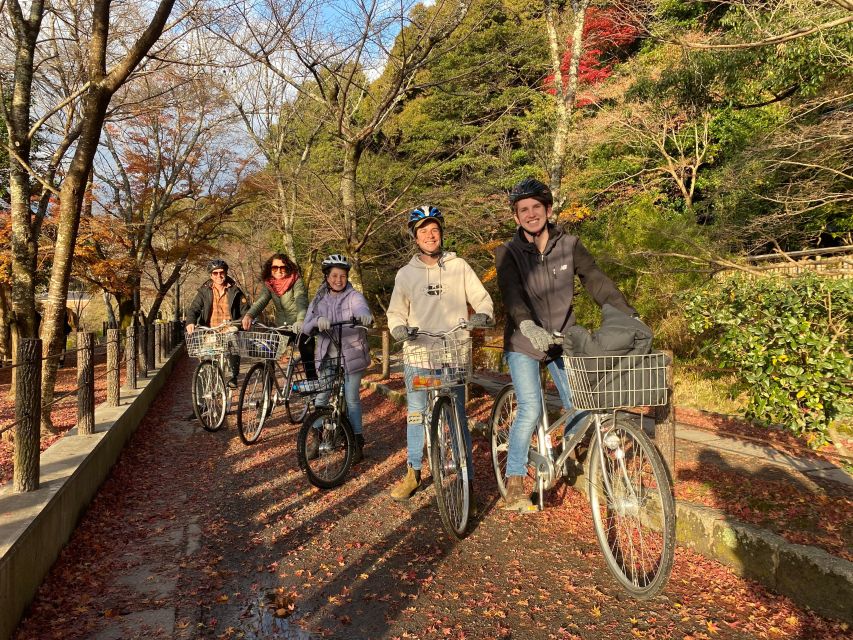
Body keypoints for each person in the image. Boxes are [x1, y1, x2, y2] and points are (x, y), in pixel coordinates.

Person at [495, 178, 637, 512]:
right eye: (523, 210)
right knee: (530, 406)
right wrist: (527, 325)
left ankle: (560, 451)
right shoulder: (509, 252)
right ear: (516, 217)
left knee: (581, 401)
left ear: (547, 209)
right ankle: (515, 482)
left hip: (562, 339)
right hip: (523, 341)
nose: (531, 214)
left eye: (536, 207)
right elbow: (511, 292)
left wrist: (629, 315)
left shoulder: (570, 245)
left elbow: (597, 282)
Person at [386, 206, 494, 501]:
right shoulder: (406, 274)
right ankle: (413, 471)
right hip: (420, 356)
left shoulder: (459, 267)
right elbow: (396, 311)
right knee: (416, 415)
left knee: (457, 416)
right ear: (415, 237)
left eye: (434, 230)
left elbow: (482, 298)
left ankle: (466, 479)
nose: (430, 236)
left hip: (454, 354)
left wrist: (482, 314)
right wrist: (398, 328)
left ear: (441, 233)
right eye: (423, 231)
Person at [301, 254, 373, 463]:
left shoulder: (354, 296)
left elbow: (361, 308)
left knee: (351, 398)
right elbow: (306, 326)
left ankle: (357, 441)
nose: (338, 280)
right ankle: (315, 436)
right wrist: (316, 321)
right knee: (321, 397)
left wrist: (364, 316)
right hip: (327, 356)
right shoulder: (319, 299)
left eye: (342, 275)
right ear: (326, 277)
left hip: (352, 354)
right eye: (334, 275)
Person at [241, 252, 313, 375]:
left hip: (299, 326)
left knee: (308, 357)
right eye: (275, 267)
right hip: (282, 326)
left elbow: (301, 300)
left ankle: (313, 387)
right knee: (269, 355)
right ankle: (267, 391)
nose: (279, 270)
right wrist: (249, 315)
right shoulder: (270, 284)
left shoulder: (296, 280)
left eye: (282, 267)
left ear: (288, 268)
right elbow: (261, 301)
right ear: (270, 269)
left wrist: (301, 320)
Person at [186, 259, 250, 388]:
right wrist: (190, 322)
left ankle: (233, 376)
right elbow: (194, 309)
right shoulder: (204, 291)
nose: (219, 276)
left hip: (229, 329)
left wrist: (239, 324)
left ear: (226, 273)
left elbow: (245, 311)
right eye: (215, 273)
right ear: (211, 275)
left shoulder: (235, 291)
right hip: (210, 330)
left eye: (221, 272)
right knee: (205, 361)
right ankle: (202, 399)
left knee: (233, 344)